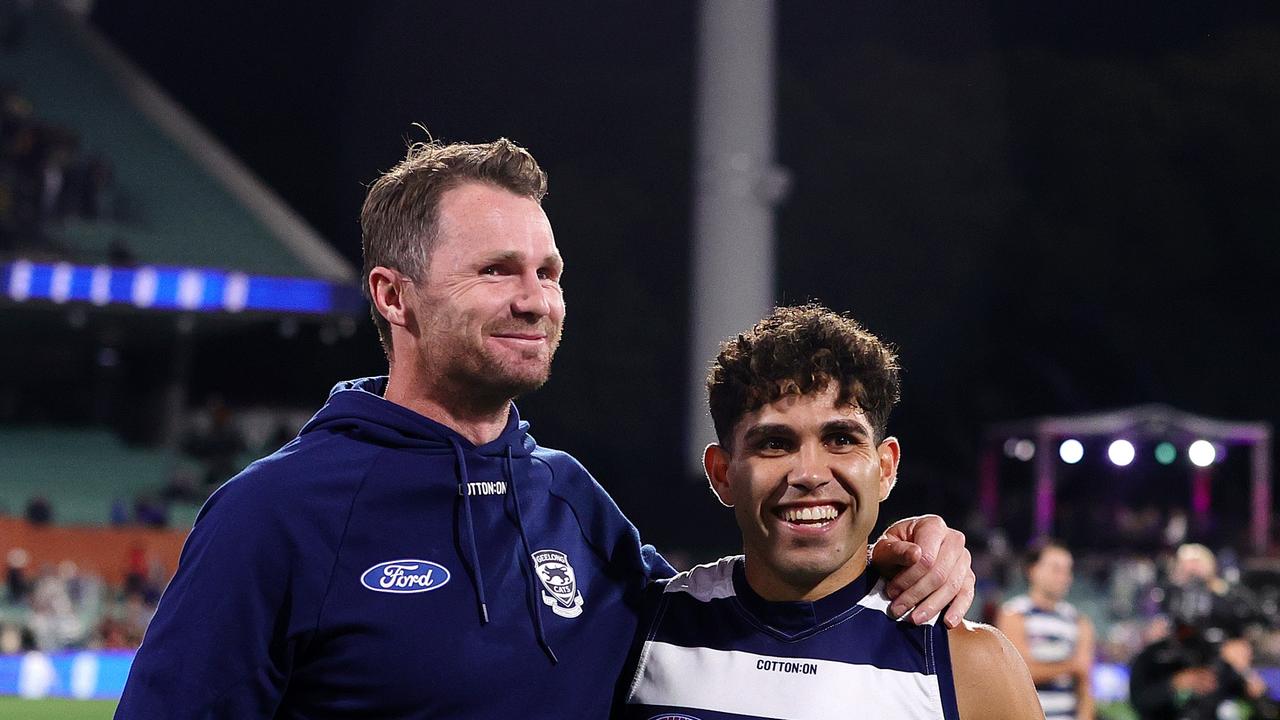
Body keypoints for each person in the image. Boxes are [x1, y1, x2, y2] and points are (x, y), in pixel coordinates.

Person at [115, 139, 976, 719]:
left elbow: (738, 616)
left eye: (548, 271)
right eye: (497, 271)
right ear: (391, 295)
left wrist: (910, 547)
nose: (536, 299)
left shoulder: (570, 499)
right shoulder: (274, 515)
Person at [618, 304, 1041, 719]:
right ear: (722, 474)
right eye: (774, 443)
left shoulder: (971, 665)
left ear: (886, 469)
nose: (809, 473)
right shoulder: (640, 629)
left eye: (840, 439)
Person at [997, 540, 1095, 720]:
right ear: (1033, 570)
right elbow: (1019, 674)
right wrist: (1072, 665)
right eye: (1056, 569)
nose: (1064, 577)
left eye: (1068, 570)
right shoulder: (1014, 614)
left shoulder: (1078, 621)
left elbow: (1085, 686)